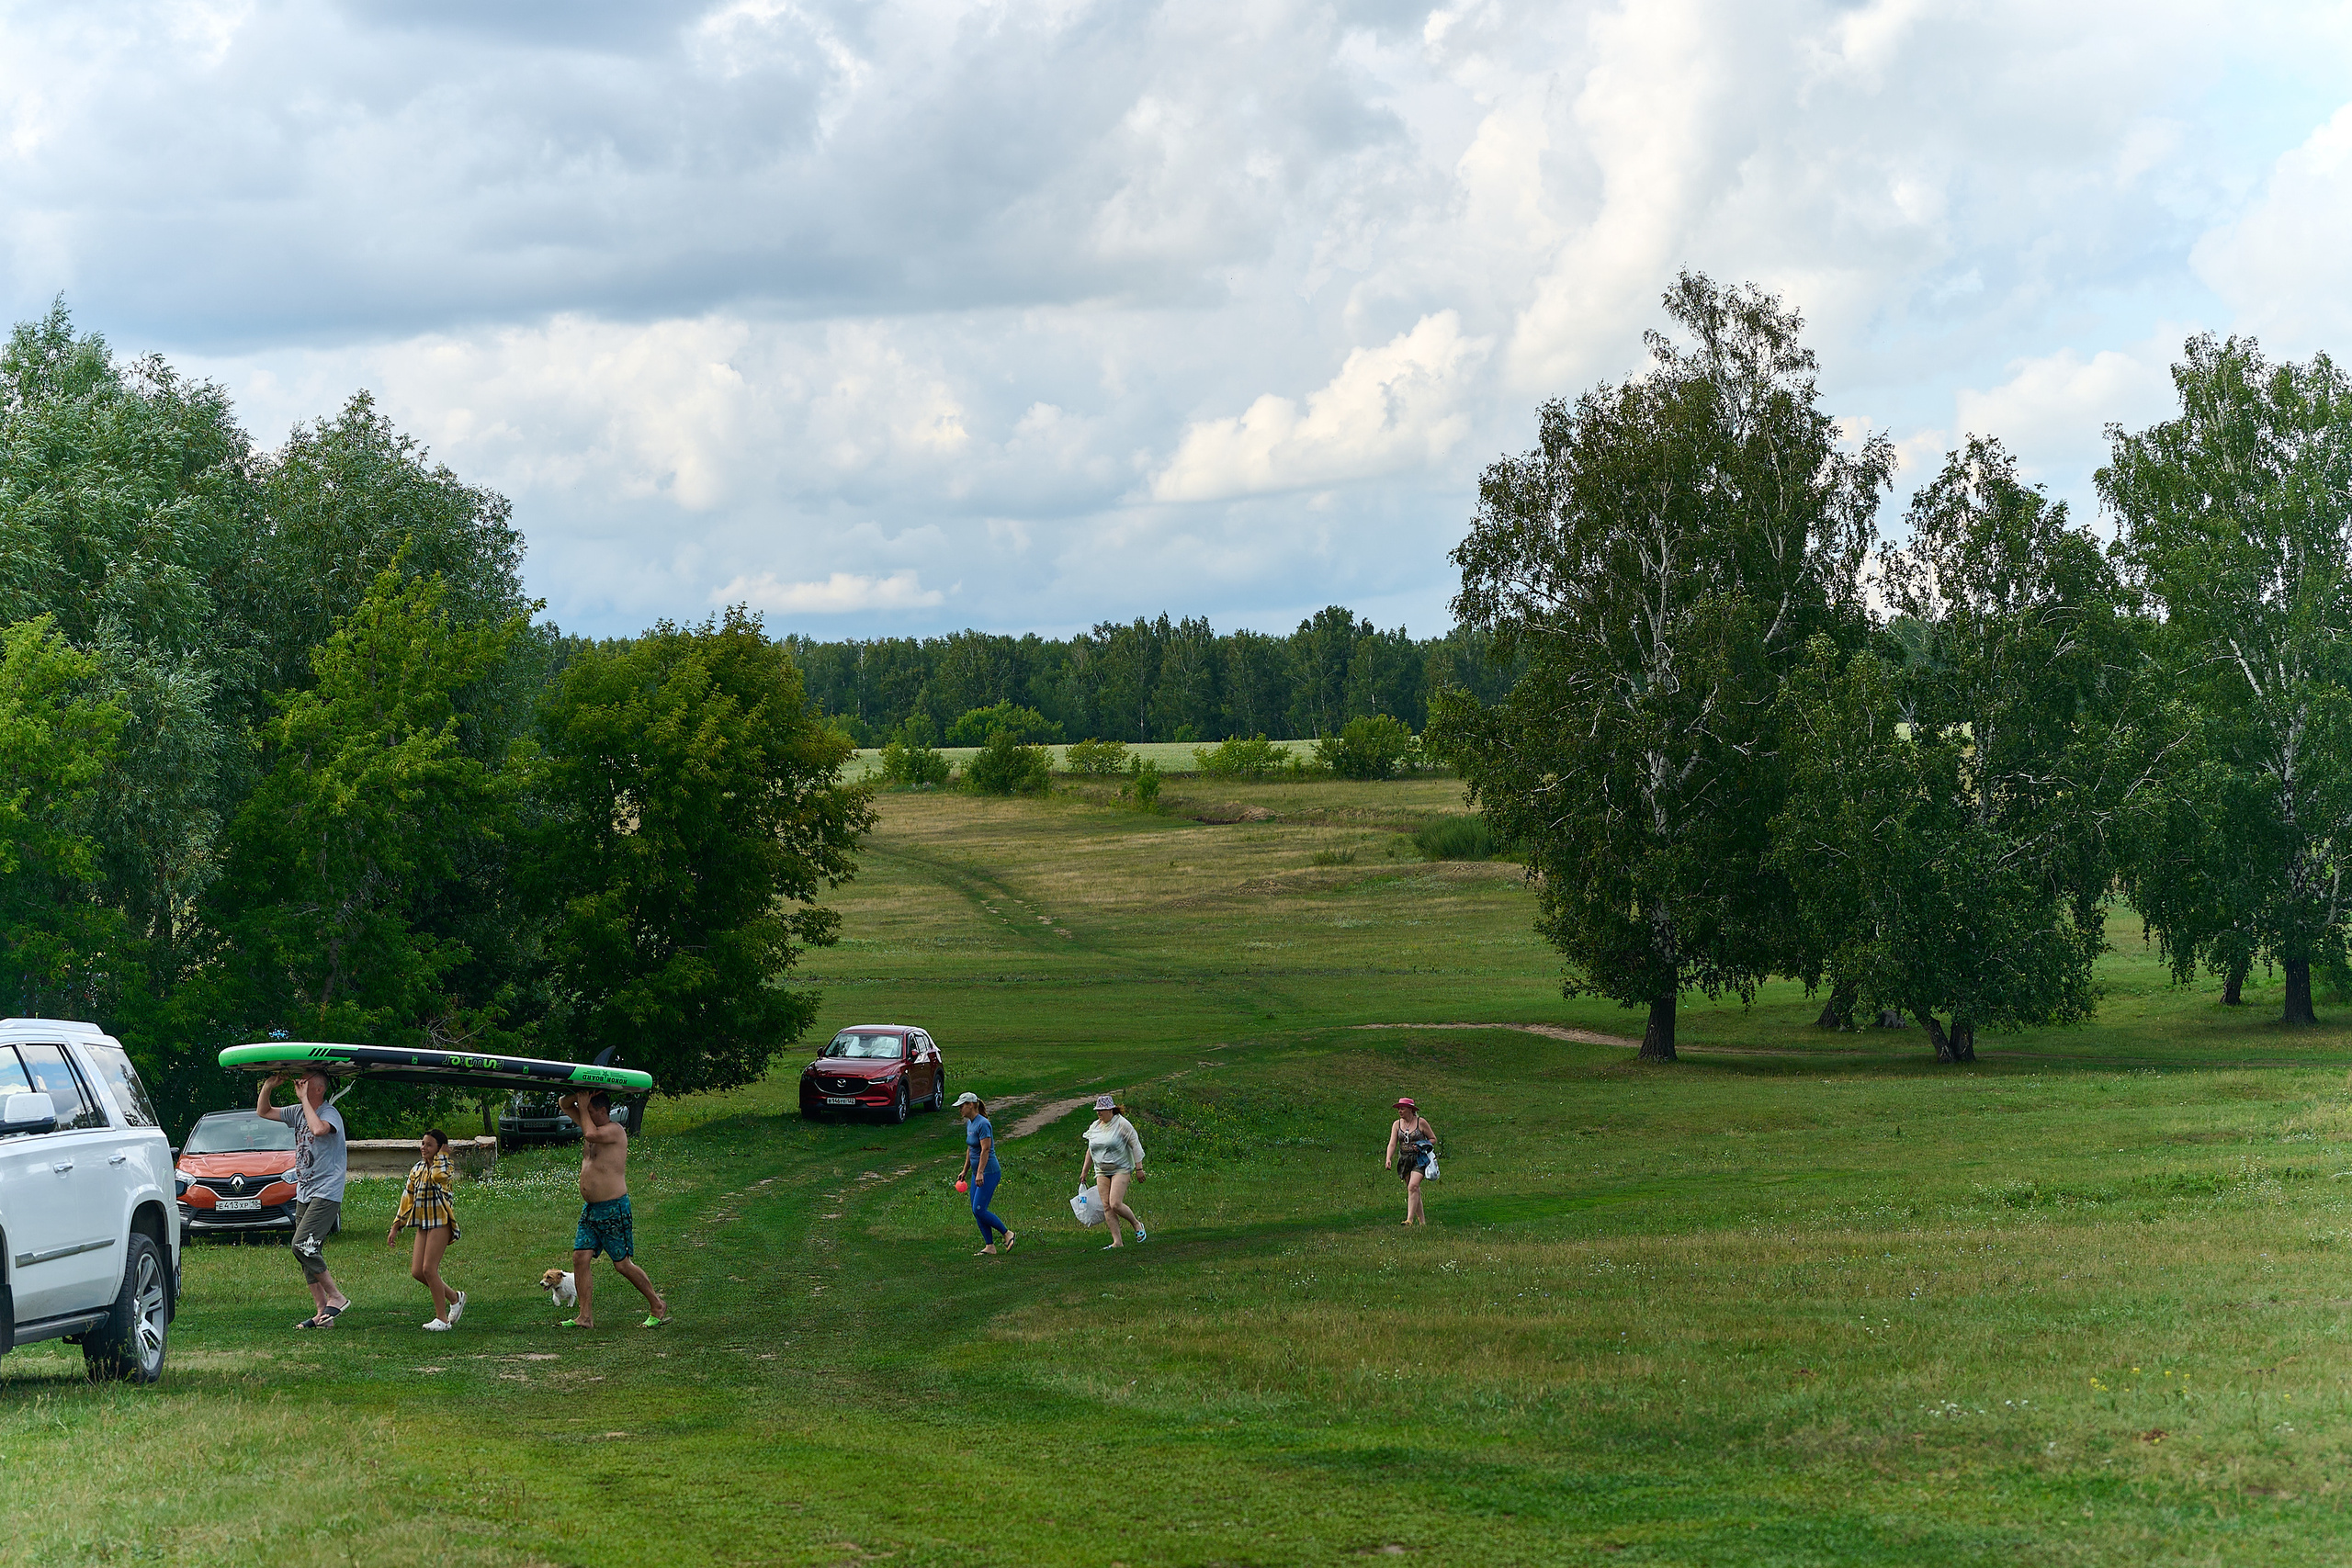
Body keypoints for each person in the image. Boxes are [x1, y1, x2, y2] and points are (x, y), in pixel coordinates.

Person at [555, 1089, 669, 1328]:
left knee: (622, 1264)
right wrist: (581, 1093)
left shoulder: (614, 1131)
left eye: (592, 1111)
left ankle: (657, 1304)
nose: (587, 1114)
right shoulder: (591, 1121)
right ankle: (585, 1317)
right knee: (580, 1257)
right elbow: (564, 1105)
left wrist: (584, 1106)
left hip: (613, 1208)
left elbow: (590, 1133)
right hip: (591, 1210)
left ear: (604, 1111)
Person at [256, 1068, 352, 1328]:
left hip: (326, 1192)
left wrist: (304, 1101)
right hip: (305, 1191)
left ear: (319, 1089)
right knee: (306, 1252)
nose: (299, 1083)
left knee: (302, 1245)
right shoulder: (299, 1111)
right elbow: (263, 1112)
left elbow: (319, 1129)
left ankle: (337, 1296)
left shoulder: (329, 1113)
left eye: (306, 1081)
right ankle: (323, 1312)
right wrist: (269, 1085)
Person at [386, 1129, 466, 1331]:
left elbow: (439, 1177)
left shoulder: (445, 1165)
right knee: (417, 1272)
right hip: (423, 1223)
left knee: (429, 1269)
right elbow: (408, 1197)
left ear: (439, 1148)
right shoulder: (417, 1169)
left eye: (429, 1145)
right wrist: (397, 1225)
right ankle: (455, 1298)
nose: (424, 1148)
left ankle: (442, 1320)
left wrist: (442, 1156)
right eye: (423, 1143)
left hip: (441, 1222)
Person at [1078, 1094, 1147, 1248]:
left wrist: (1139, 1168)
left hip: (1120, 1169)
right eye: (1097, 1110)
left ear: (1110, 1110)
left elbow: (1135, 1145)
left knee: (1115, 1203)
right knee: (1106, 1206)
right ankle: (1117, 1242)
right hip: (1101, 1170)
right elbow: (1090, 1150)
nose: (1099, 1113)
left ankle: (1136, 1224)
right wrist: (1084, 1171)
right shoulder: (1095, 1126)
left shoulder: (1122, 1124)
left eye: (1101, 1110)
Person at [956, 1092, 1016, 1256]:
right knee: (976, 1210)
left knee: (979, 1209)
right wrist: (965, 1170)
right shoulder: (970, 1124)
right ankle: (990, 1246)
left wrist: (980, 1173)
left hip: (989, 1172)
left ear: (971, 1105)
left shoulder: (983, 1124)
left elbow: (985, 1149)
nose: (960, 1109)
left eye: (962, 1106)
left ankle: (1007, 1233)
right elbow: (971, 1148)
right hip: (977, 1173)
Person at [1385, 1096, 1435, 1226]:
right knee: (1413, 1189)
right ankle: (1422, 1222)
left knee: (1413, 1186)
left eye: (1402, 1109)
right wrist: (1388, 1158)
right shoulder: (1397, 1124)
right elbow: (1392, 1143)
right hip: (1405, 1159)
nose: (1399, 1111)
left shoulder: (1421, 1122)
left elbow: (1433, 1139)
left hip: (1420, 1159)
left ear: (1410, 1110)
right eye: (1398, 1109)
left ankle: (1409, 1220)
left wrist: (1421, 1145)